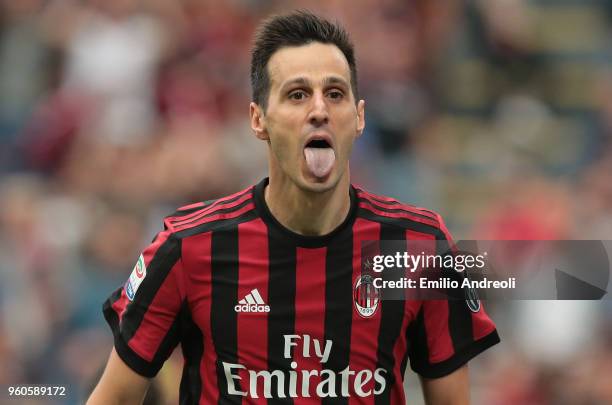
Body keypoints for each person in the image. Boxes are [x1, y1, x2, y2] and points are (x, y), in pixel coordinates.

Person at [87, 11, 499, 404]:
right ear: (259, 120)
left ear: (358, 117)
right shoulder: (187, 246)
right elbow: (116, 397)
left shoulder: (419, 248)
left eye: (334, 94)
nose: (318, 110)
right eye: (297, 94)